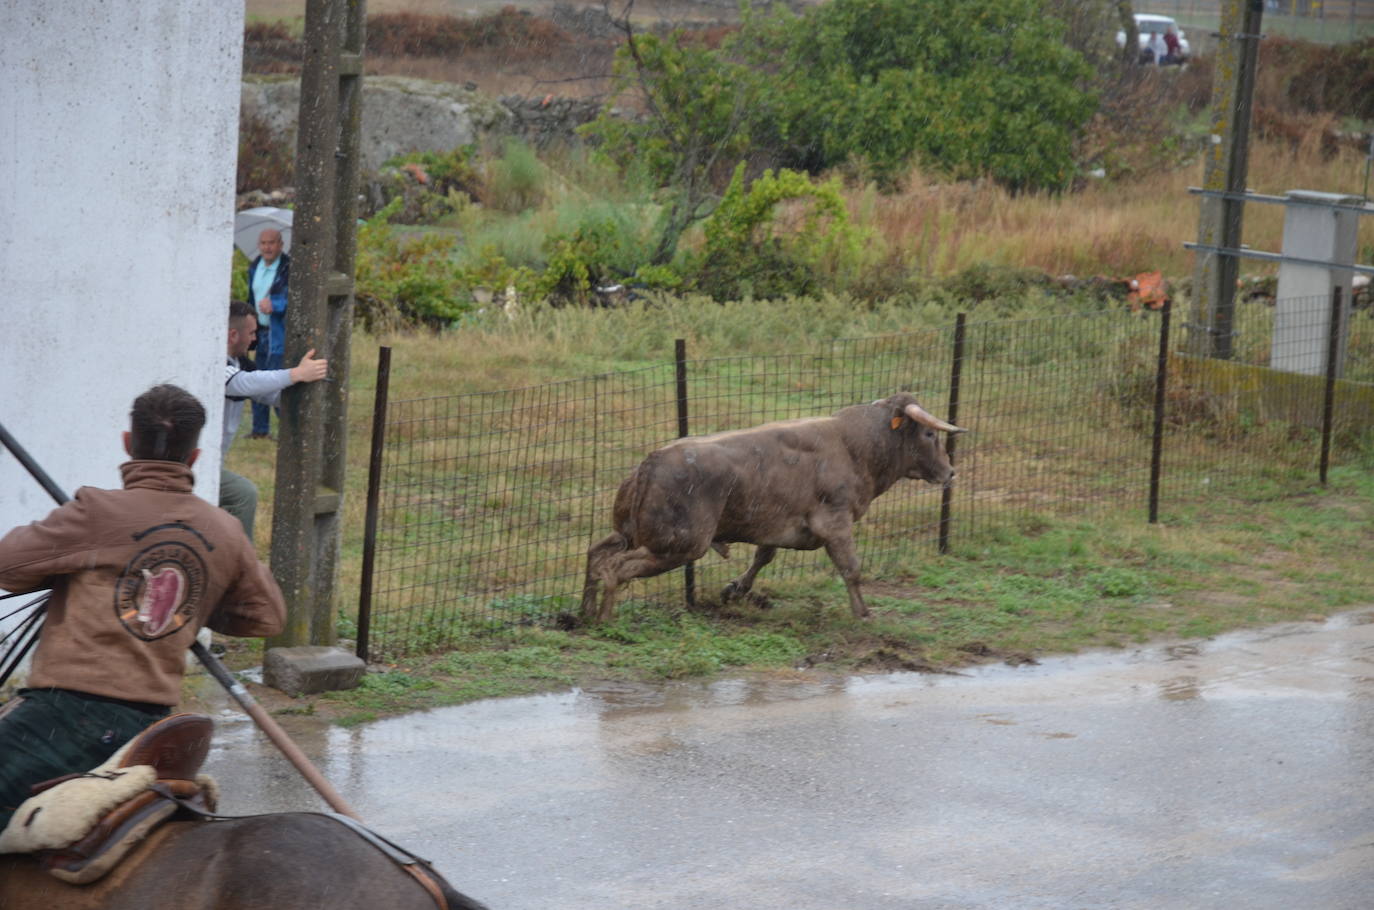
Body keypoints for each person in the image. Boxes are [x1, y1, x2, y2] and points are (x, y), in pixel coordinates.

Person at [0, 384, 286, 832]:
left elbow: (8, 565)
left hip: (64, 715)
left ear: (128, 444)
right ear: (194, 457)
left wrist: (64, 568)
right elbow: (266, 616)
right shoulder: (225, 531)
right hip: (151, 725)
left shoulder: (96, 510)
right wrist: (190, 601)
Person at [221, 300, 328, 540]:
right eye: (251, 333)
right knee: (243, 494)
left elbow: (268, 394)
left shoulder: (240, 365)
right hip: (194, 465)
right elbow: (241, 383)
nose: (254, 339)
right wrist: (296, 374)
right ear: (233, 335)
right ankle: (243, 566)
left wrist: (307, 389)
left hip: (210, 463)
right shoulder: (214, 363)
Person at [246, 228, 290, 440]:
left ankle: (288, 430)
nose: (267, 247)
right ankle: (259, 430)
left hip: (278, 334)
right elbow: (250, 297)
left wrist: (276, 305)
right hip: (259, 332)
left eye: (271, 243)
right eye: (263, 243)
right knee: (256, 379)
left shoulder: (288, 267)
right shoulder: (255, 266)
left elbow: (296, 298)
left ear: (281, 245)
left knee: (276, 381)